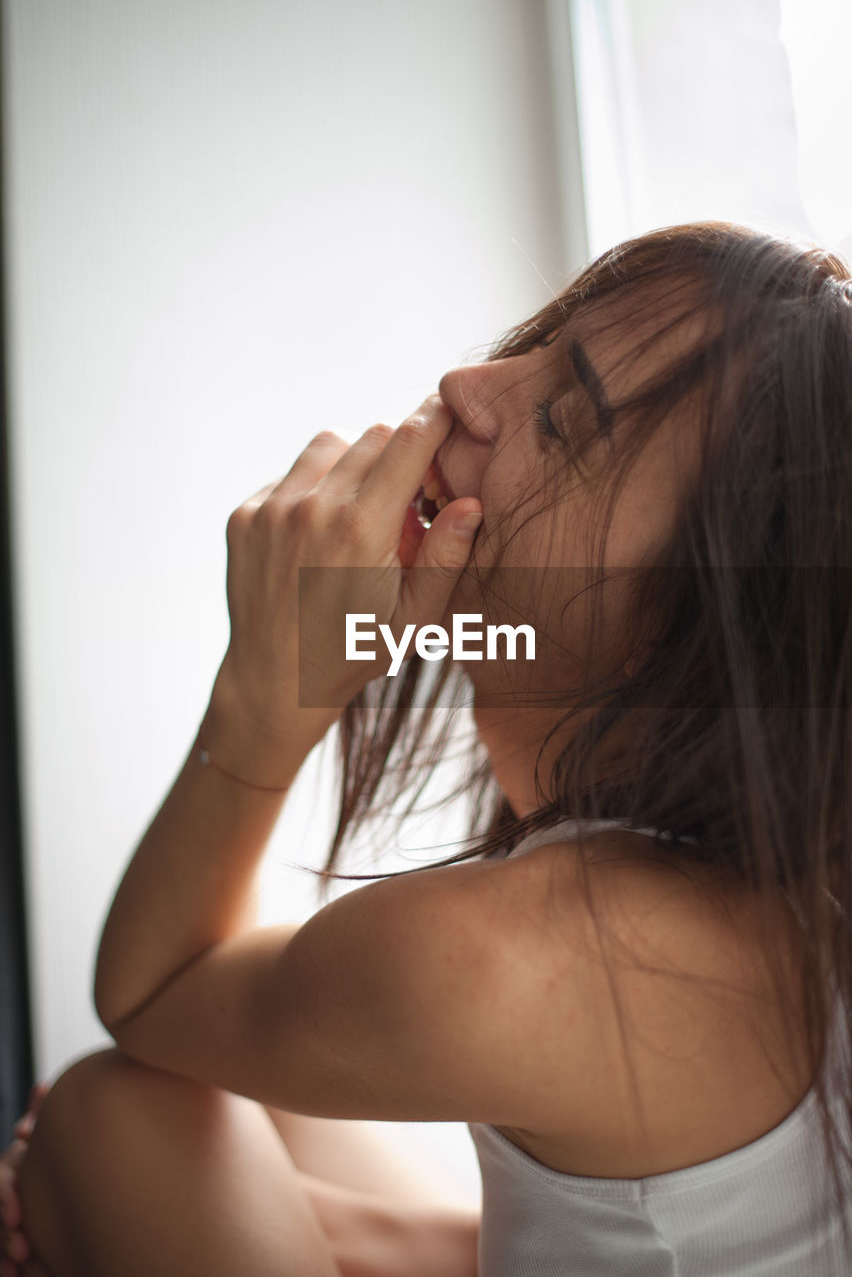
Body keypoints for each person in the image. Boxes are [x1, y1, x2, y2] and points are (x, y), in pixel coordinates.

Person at [2, 220, 851, 1275]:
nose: (467, 385)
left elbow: (149, 986)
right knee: (235, 1100)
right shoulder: (760, 891)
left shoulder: (548, 951)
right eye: (535, 345)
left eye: (564, 416)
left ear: (685, 631)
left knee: (108, 1115)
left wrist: (273, 683)